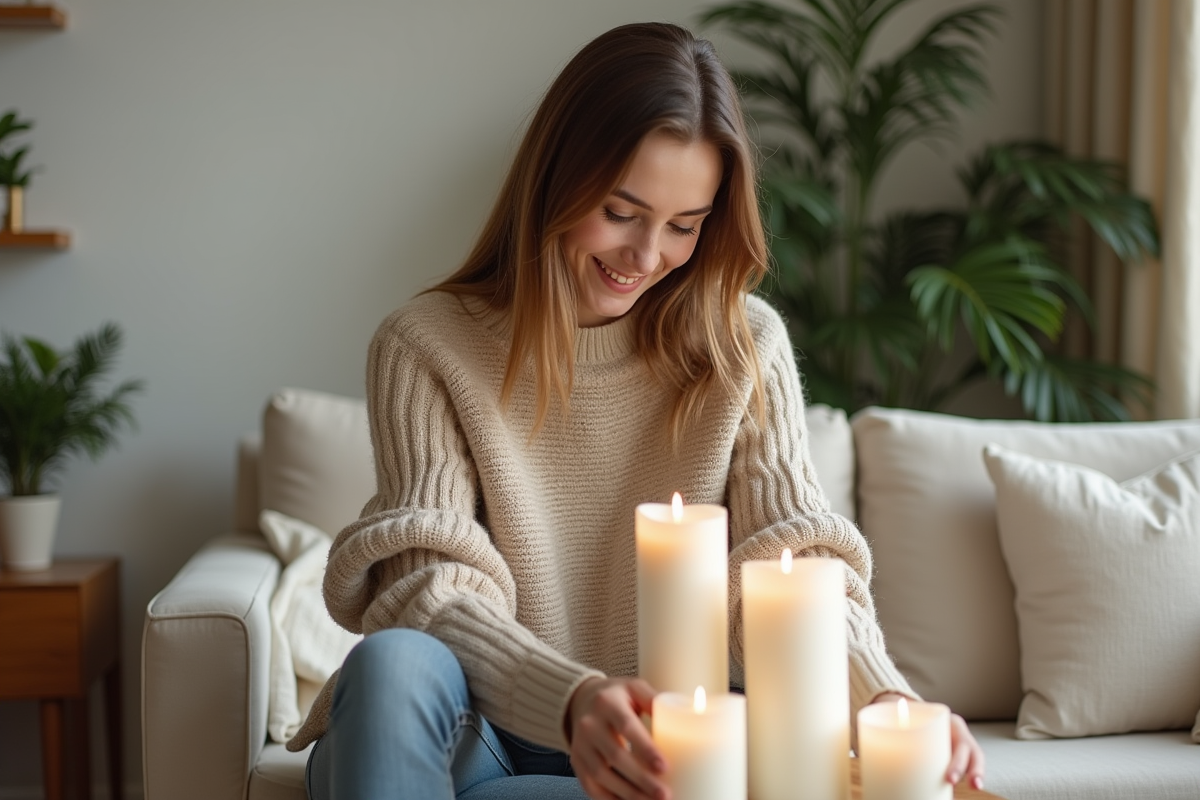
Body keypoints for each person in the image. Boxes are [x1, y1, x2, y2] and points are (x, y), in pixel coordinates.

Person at [288, 21, 986, 800]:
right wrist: (573, 700)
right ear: (557, 180)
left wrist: (885, 701)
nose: (646, 256)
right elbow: (431, 592)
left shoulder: (743, 347)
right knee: (389, 663)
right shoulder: (424, 346)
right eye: (621, 212)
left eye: (685, 226)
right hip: (488, 741)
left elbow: (791, 571)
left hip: (673, 759)